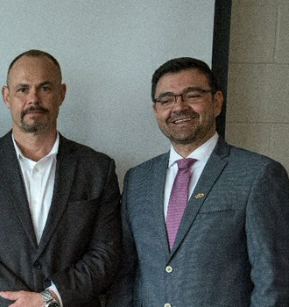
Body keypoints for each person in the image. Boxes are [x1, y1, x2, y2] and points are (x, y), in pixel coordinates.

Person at [0, 50, 122, 307]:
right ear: (7, 97)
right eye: (23, 89)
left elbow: (106, 251)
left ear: (61, 94)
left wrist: (49, 299)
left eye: (45, 88)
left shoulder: (97, 168)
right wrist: (20, 302)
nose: (33, 99)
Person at [107, 57, 289, 306]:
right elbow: (125, 274)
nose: (179, 107)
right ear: (156, 110)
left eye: (192, 95)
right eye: (167, 99)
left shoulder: (259, 174)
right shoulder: (138, 179)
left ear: (216, 102)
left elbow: (273, 280)